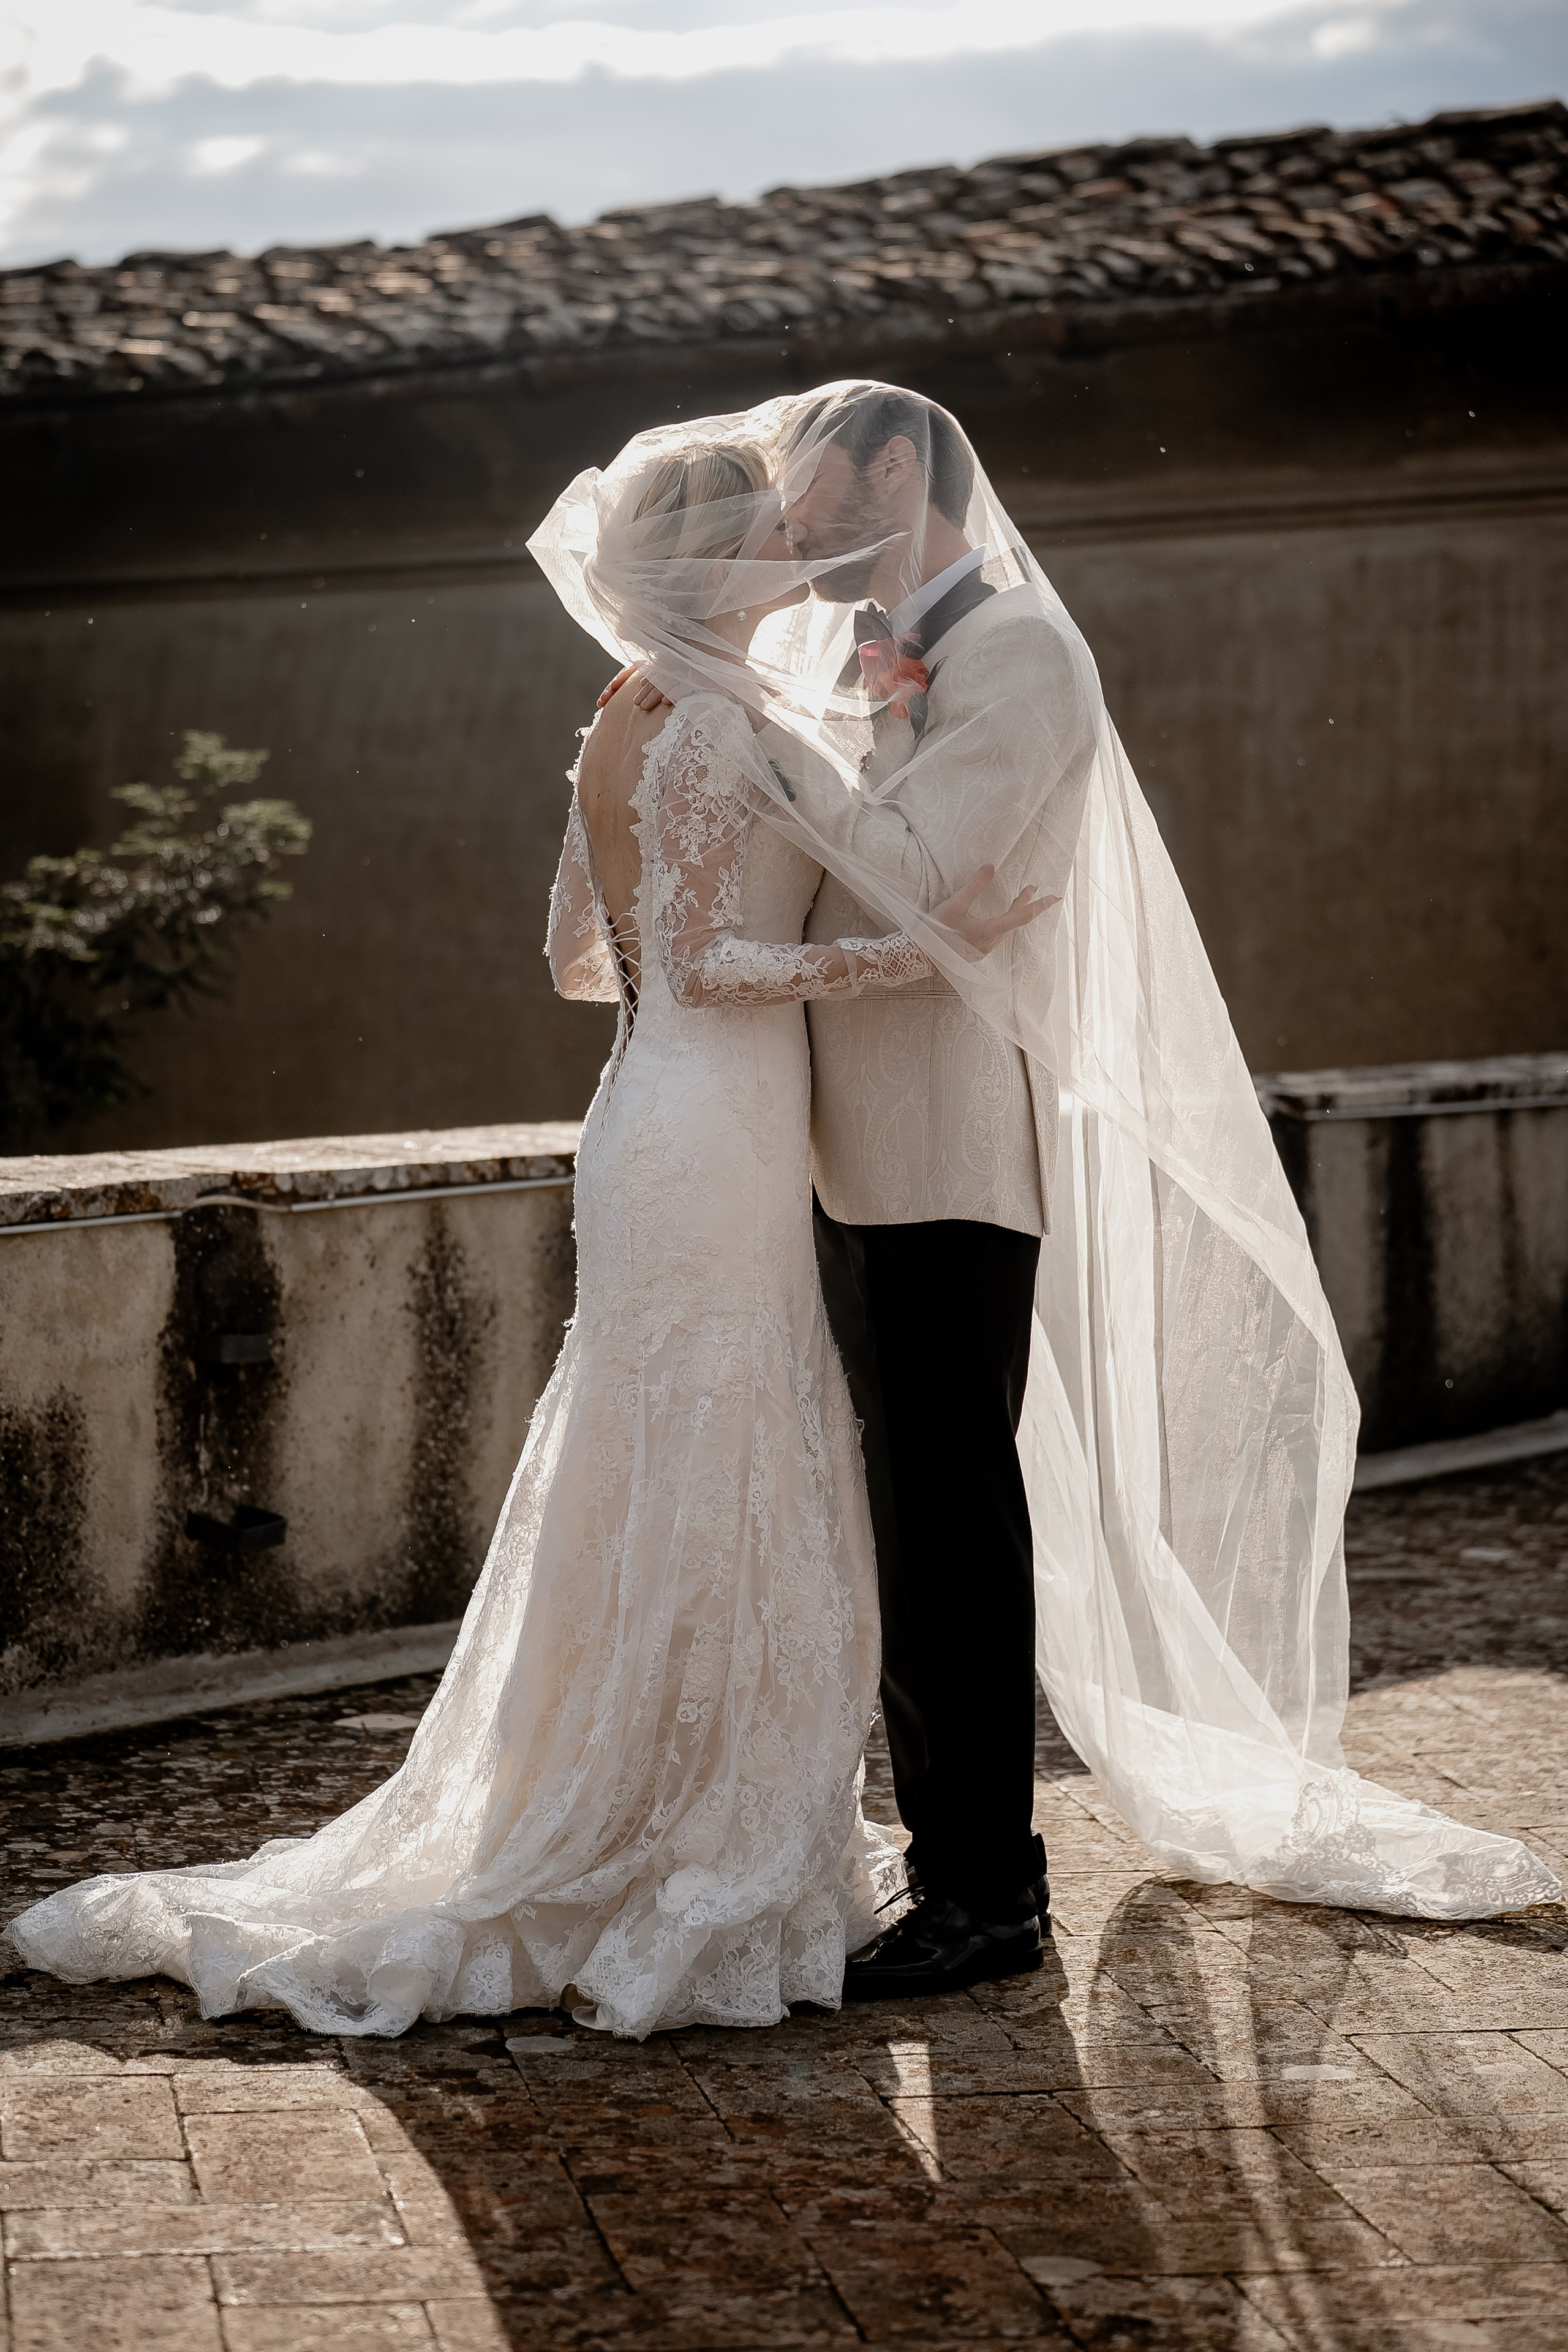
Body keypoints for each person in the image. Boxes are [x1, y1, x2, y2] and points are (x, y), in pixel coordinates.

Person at [6, 439, 1044, 2041]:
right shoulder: (710, 720)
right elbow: (710, 968)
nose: (801, 541)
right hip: (712, 1127)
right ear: (717, 561)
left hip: (650, 1115)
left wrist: (701, 953)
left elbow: (582, 957)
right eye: (776, 524)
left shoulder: (629, 715)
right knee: (714, 1448)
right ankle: (672, 1830)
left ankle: (650, 1795)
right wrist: (923, 947)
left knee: (661, 1452)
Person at [560, 381, 1558, 1941]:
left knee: (952, 1510)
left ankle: (985, 1888)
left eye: (810, 489)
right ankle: (934, 1846)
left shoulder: (1019, 652)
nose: (792, 524)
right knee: (895, 1506)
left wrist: (765, 755)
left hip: (946, 1142)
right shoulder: (844, 666)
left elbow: (902, 873)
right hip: (807, 1142)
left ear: (899, 468)